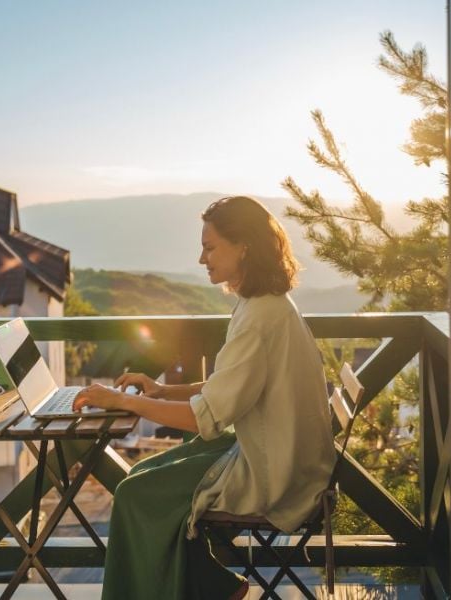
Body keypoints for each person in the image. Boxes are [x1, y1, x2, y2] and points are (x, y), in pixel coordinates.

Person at [74, 195, 337, 600]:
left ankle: (205, 589)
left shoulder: (258, 317)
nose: (202, 259)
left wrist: (122, 401)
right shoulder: (265, 305)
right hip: (282, 455)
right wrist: (162, 390)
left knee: (134, 494)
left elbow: (204, 418)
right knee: (145, 476)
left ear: (244, 245)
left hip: (276, 474)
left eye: (210, 247)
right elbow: (230, 387)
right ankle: (214, 586)